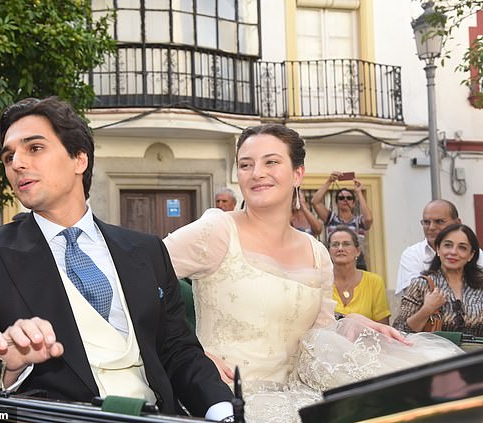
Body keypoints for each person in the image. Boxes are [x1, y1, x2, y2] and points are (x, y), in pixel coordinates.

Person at [0, 97, 234, 420]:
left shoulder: (147, 250)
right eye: (8, 156)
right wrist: (9, 367)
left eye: (35, 148)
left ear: (79, 160)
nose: (16, 163)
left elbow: (179, 351)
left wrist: (221, 410)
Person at [163, 123, 462, 423]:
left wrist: (347, 323)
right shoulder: (217, 230)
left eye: (271, 162)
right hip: (227, 398)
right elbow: (137, 279)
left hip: (301, 394)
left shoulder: (317, 252)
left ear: (297, 174)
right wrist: (190, 354)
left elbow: (317, 335)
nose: (256, 173)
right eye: (245, 164)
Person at [394, 224, 483, 336]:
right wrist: (427, 309)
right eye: (448, 245)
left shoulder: (480, 284)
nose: (453, 252)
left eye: (462, 248)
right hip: (436, 352)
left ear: (471, 255)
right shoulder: (421, 284)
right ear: (437, 249)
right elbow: (400, 331)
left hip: (477, 352)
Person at [395, 199, 483, 296]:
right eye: (426, 222)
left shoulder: (475, 254)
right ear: (437, 250)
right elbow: (415, 296)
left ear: (458, 223)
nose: (431, 227)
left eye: (439, 221)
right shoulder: (412, 254)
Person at [311, 172, 373, 270]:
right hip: (334, 261)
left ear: (353, 203)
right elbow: (315, 202)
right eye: (341, 198)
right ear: (337, 203)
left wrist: (359, 192)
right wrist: (329, 181)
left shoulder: (359, 221)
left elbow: (369, 219)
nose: (345, 200)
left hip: (357, 263)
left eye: (349, 198)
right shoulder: (331, 218)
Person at [329, 227, 390, 324]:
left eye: (346, 244)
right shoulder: (322, 282)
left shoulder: (374, 282)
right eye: (335, 245)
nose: (340, 248)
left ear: (357, 251)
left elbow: (383, 328)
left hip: (366, 338)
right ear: (329, 251)